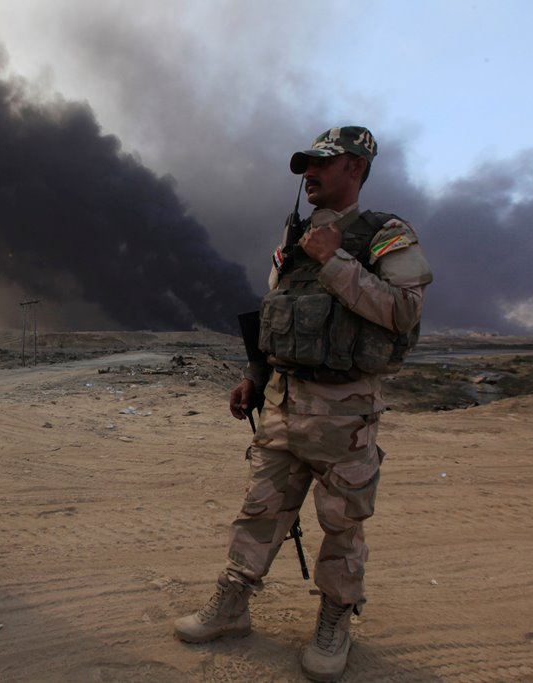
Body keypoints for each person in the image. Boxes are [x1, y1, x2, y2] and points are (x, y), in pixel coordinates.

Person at [173, 127, 433, 682]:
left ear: (356, 169)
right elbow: (279, 317)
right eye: (305, 166)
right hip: (283, 406)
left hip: (346, 415)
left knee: (342, 524)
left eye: (322, 164)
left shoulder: (386, 234)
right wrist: (255, 375)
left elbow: (405, 312)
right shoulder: (292, 239)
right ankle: (232, 604)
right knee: (259, 509)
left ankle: (335, 620)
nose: (308, 175)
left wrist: (336, 261)